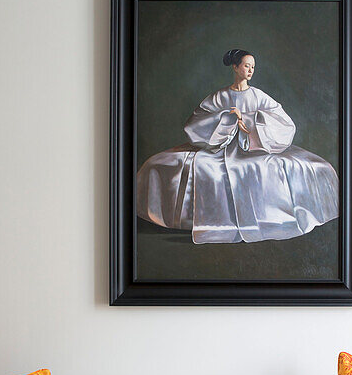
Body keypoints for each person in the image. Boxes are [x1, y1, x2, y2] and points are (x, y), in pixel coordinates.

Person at [136, 48, 339, 244]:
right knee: (166, 164)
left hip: (252, 149)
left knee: (301, 166)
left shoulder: (258, 96)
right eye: (246, 66)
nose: (250, 70)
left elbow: (285, 123)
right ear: (235, 67)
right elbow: (195, 123)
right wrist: (228, 118)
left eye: (253, 67)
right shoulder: (220, 96)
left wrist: (249, 119)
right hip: (220, 150)